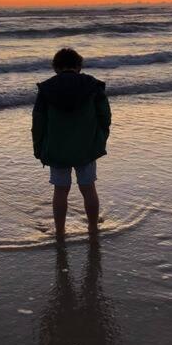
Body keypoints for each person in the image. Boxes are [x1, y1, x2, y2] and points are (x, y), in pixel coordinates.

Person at [31, 48, 111, 239]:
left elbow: (38, 121)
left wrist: (39, 148)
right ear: (78, 66)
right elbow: (105, 116)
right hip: (86, 146)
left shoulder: (47, 89)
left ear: (56, 67)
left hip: (57, 148)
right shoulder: (92, 86)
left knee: (60, 191)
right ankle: (93, 227)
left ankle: (60, 231)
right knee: (88, 188)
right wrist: (100, 138)